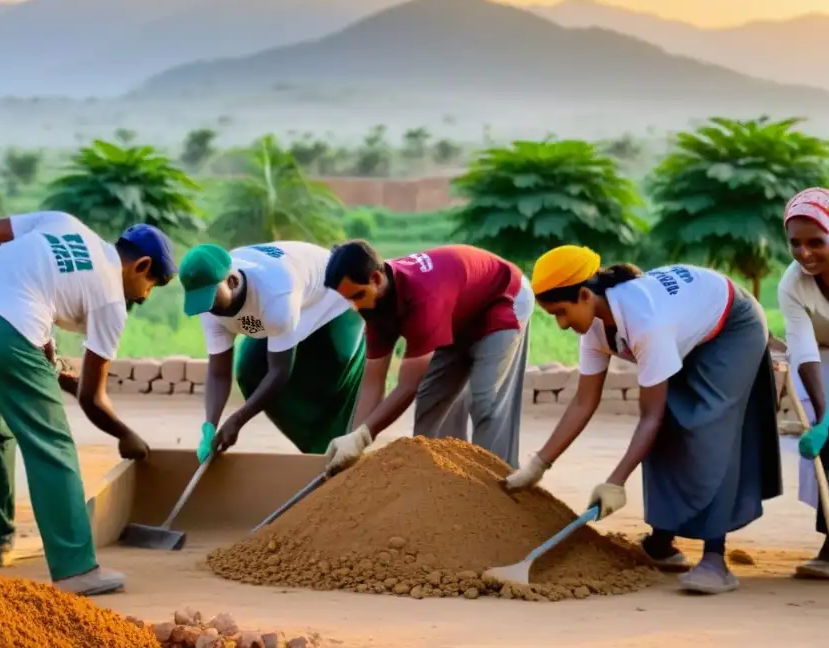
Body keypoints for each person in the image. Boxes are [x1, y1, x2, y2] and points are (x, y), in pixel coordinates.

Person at [506, 245, 782, 595]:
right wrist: (538, 465)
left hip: (731, 327)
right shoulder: (593, 325)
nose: (561, 325)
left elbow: (649, 415)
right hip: (687, 328)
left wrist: (615, 482)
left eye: (561, 312)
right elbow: (582, 401)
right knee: (667, 425)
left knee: (709, 428)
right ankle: (662, 542)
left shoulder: (645, 321)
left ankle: (715, 559)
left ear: (585, 294)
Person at [0, 211, 177, 596]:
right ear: (142, 265)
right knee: (52, 445)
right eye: (151, 285)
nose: (144, 296)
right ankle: (76, 569)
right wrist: (125, 434)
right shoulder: (111, 300)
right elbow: (92, 399)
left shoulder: (63, 222)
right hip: (7, 332)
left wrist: (0, 301)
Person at [322, 241, 534, 472]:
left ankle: (497, 482)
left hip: (503, 296)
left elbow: (407, 385)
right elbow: (373, 383)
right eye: (348, 299)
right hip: (457, 310)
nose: (354, 306)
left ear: (376, 279)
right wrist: (353, 439)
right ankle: (441, 480)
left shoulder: (422, 297)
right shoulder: (372, 302)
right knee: (432, 400)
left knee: (486, 401)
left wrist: (364, 436)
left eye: (357, 295)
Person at [180, 241, 366, 460]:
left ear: (231, 281)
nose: (209, 308)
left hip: (331, 297)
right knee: (251, 372)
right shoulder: (209, 306)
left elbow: (279, 372)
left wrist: (237, 421)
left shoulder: (275, 295)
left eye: (211, 297)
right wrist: (209, 426)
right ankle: (314, 452)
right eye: (200, 301)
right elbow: (219, 373)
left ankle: (337, 451)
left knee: (331, 374)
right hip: (289, 301)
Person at [779, 187, 829, 578]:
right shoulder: (792, 283)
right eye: (795, 243)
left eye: (816, 242)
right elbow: (802, 347)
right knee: (825, 445)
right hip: (821, 358)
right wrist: (825, 417)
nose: (804, 253)